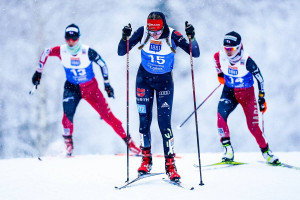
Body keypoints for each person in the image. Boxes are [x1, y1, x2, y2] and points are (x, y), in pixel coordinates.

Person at [31, 24, 140, 157]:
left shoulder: (87, 51)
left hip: (90, 89)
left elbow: (103, 64)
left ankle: (132, 146)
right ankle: (68, 147)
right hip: (71, 87)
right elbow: (45, 52)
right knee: (67, 117)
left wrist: (107, 84)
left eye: (74, 38)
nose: (71, 41)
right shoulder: (61, 51)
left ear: (79, 38)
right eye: (68, 38)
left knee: (108, 117)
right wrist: (38, 73)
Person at [118, 12, 200, 181]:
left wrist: (192, 38)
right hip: (144, 81)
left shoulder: (173, 35)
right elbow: (121, 51)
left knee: (165, 125)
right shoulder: (142, 32)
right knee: (143, 123)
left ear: (163, 26)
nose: (153, 34)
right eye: (151, 31)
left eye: (157, 31)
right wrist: (124, 38)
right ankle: (145, 160)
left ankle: (170, 165)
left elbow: (195, 53)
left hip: (164, 84)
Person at [213, 31, 279, 164]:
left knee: (253, 126)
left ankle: (266, 152)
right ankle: (228, 150)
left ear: (238, 47)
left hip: (247, 95)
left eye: (231, 49)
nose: (228, 52)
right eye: (226, 48)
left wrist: (261, 98)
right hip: (229, 92)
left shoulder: (247, 61)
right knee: (221, 117)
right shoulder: (219, 56)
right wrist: (220, 75)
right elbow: (218, 65)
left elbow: (260, 79)